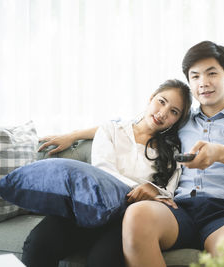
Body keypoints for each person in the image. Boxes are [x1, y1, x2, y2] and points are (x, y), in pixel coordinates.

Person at [121, 41, 224, 267]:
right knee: (137, 215)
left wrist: (217, 153)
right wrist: (75, 135)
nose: (204, 83)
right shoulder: (180, 118)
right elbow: (137, 126)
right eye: (195, 77)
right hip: (179, 208)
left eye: (212, 74)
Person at [21, 79, 192, 267]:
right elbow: (104, 170)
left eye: (173, 112)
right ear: (151, 98)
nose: (163, 113)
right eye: (162, 101)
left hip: (128, 218)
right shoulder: (111, 130)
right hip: (93, 206)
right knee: (38, 244)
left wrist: (153, 189)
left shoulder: (172, 149)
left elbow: (168, 191)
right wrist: (139, 188)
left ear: (177, 120)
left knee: (103, 260)